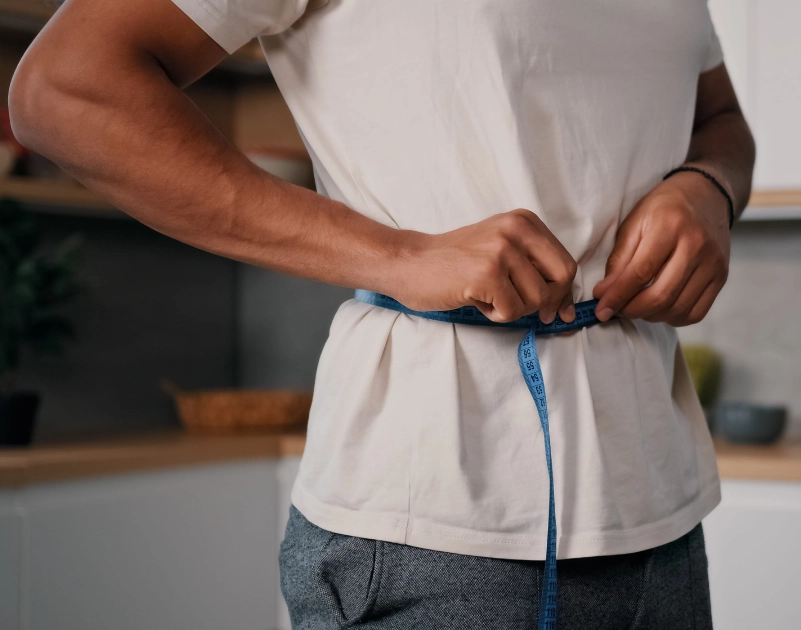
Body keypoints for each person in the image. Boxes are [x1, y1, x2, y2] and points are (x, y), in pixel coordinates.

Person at [10, 0, 755, 627]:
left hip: (662, 508)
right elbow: (68, 89)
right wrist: (399, 256)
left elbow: (719, 115)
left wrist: (708, 185)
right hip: (436, 522)